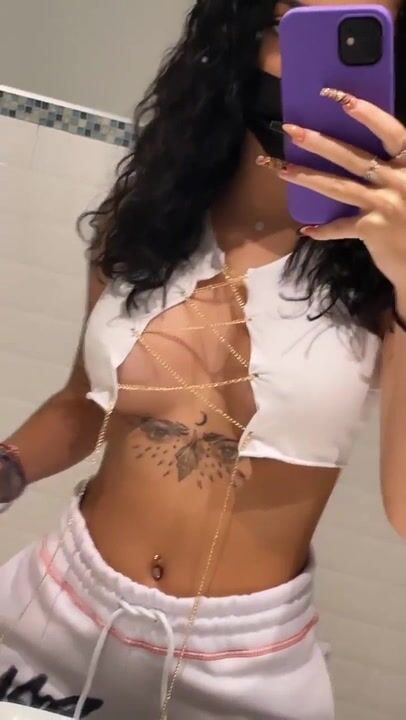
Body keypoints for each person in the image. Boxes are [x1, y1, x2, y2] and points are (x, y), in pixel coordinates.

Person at [1, 0, 406, 718]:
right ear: (240, 31)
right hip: (46, 617)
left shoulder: (384, 271)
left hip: (245, 675)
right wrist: (6, 467)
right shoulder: (155, 211)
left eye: (366, 34)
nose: (326, 76)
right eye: (298, 22)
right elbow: (83, 405)